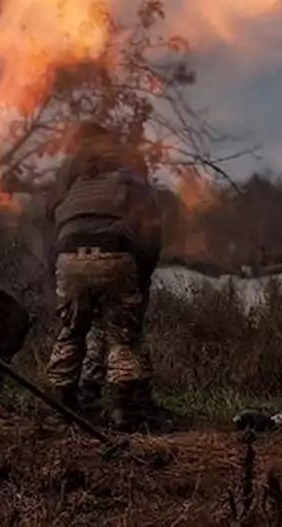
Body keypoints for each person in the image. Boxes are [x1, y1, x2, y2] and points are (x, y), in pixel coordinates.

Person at [44, 123, 169, 431]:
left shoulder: (72, 172)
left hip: (68, 253)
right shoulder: (129, 165)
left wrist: (56, 269)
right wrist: (142, 274)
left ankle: (64, 409)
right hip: (115, 251)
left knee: (71, 331)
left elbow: (51, 220)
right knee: (122, 336)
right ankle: (123, 413)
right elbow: (150, 225)